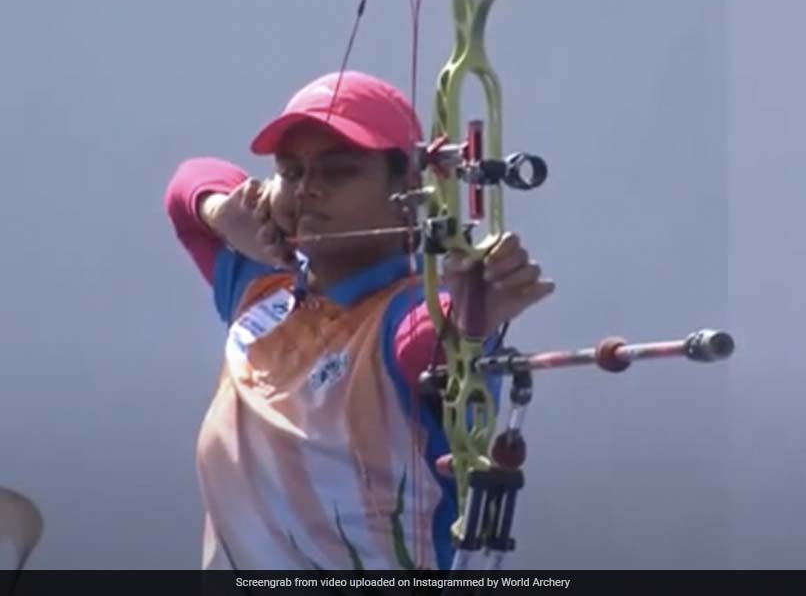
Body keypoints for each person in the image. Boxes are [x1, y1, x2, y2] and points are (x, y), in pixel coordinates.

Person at [164, 70, 555, 570]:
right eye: (290, 171)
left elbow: (437, 337)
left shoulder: (401, 318)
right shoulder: (259, 288)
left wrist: (473, 312)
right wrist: (224, 212)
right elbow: (188, 183)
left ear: (409, 188)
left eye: (337, 172)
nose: (307, 190)